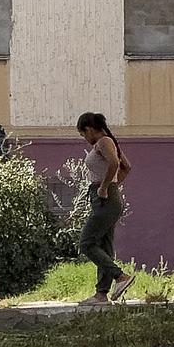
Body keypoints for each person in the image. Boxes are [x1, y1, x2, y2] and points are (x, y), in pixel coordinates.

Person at [76, 112, 134, 305]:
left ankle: (120, 277)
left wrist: (104, 187)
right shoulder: (109, 142)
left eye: (84, 134)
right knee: (104, 246)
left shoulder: (103, 142)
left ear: (89, 129)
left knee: (86, 243)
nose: (85, 139)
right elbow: (126, 167)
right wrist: (112, 185)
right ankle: (101, 294)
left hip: (104, 197)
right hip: (108, 197)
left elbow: (115, 163)